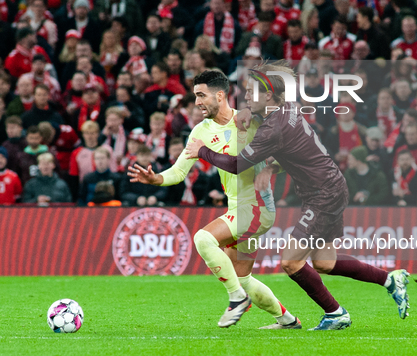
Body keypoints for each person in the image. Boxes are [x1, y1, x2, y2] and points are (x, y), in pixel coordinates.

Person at [184, 61, 409, 330]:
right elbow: (292, 148)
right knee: (325, 262)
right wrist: (268, 159)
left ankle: (336, 313)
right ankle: (388, 280)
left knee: (291, 261)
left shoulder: (272, 129)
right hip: (329, 186)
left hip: (323, 193)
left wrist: (203, 151)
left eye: (250, 92)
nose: (244, 96)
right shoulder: (285, 108)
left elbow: (235, 165)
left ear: (268, 95)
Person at [128, 70, 299, 329]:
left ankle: (236, 300)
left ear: (220, 95)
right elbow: (178, 171)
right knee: (243, 277)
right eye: (195, 96)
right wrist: (156, 179)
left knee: (202, 238)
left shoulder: (250, 120)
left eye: (201, 95)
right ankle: (286, 320)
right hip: (239, 208)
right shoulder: (200, 131)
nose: (197, 102)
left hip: (257, 206)